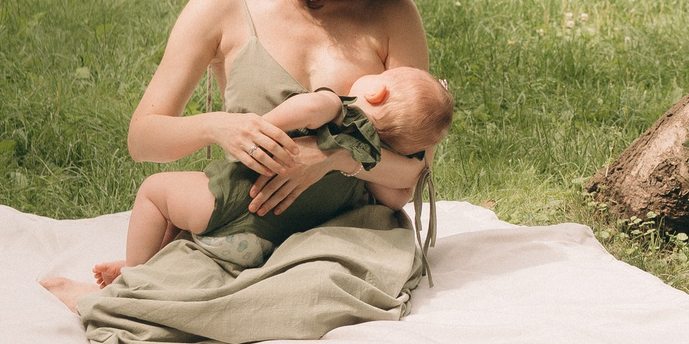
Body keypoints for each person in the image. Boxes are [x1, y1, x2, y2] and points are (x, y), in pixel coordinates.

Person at [37, 0, 444, 344]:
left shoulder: (391, 12)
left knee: (319, 292)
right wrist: (218, 129)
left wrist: (331, 159)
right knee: (228, 282)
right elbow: (143, 139)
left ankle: (152, 300)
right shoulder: (226, 2)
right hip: (245, 217)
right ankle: (130, 297)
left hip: (343, 234)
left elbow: (413, 171)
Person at [84, 64, 453, 289]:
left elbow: (308, 106)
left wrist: (260, 127)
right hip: (260, 245)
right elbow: (396, 196)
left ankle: (134, 271)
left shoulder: (338, 108)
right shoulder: (369, 163)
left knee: (156, 193)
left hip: (231, 205)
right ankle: (152, 263)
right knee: (179, 219)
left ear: (377, 89)